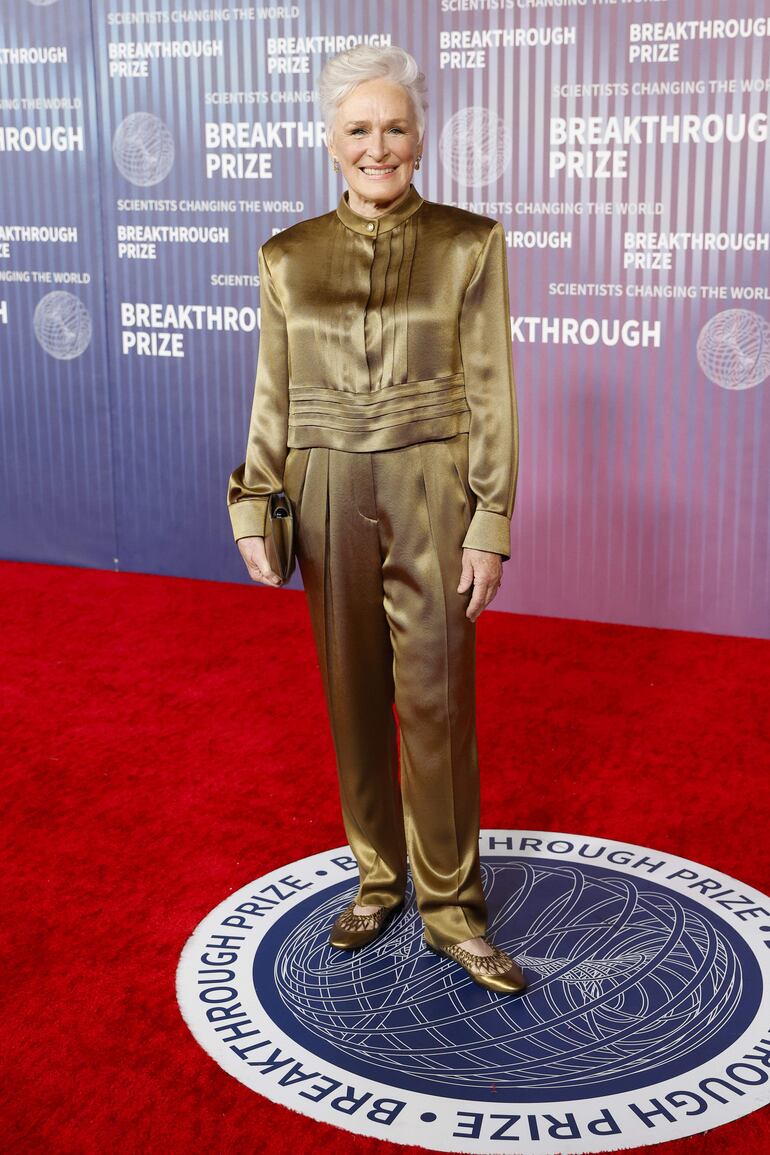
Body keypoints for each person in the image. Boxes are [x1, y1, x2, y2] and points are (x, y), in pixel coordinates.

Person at [227, 44, 527, 995]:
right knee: (352, 693)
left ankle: (452, 909)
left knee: (437, 698)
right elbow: (272, 394)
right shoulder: (285, 254)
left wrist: (490, 521)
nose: (378, 145)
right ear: (330, 141)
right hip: (320, 488)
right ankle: (377, 876)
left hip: (433, 485)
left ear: (421, 135)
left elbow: (492, 392)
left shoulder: (470, 243)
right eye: (359, 129)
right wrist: (253, 504)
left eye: (395, 126)